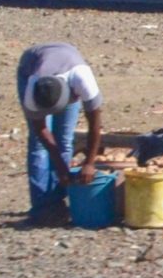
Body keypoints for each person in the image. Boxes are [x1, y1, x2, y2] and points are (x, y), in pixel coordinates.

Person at [16, 43, 106, 223]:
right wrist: (61, 166)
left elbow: (95, 126)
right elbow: (40, 130)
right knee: (38, 147)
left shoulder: (82, 80)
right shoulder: (33, 87)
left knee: (64, 139)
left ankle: (61, 198)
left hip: (68, 59)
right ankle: (42, 206)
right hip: (31, 63)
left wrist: (89, 162)